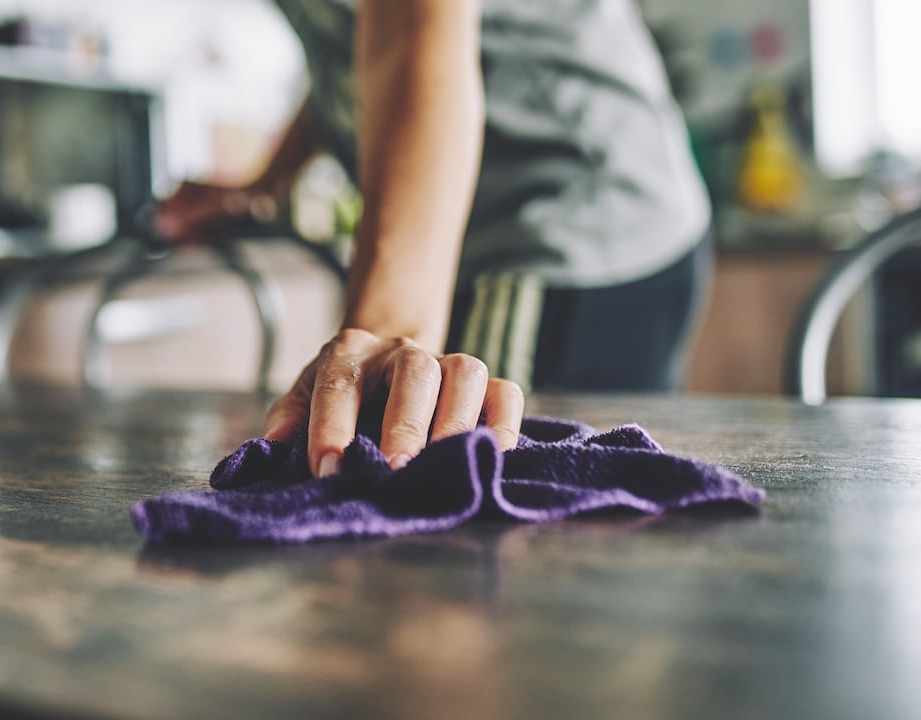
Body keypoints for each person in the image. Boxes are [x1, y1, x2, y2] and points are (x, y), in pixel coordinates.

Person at [156, 0, 711, 479]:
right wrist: (268, 182)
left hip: (569, 214)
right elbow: (355, 51)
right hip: (516, 227)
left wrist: (384, 341)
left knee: (467, 478)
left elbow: (408, 34)